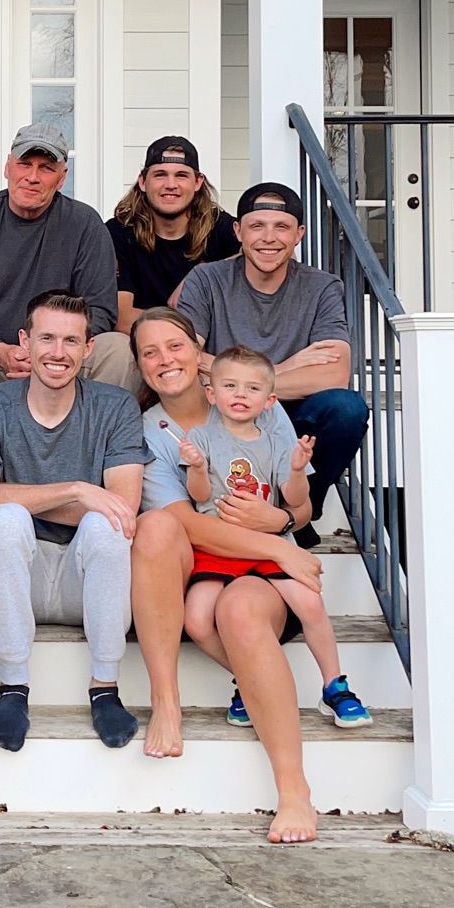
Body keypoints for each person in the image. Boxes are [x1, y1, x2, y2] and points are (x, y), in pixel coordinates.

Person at [129, 306, 328, 842]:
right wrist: (278, 545)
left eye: (174, 346)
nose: (164, 360)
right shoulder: (151, 430)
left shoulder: (260, 403)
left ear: (199, 351)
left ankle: (293, 791)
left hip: (261, 571)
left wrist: (283, 526)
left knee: (240, 609)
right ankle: (170, 699)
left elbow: (301, 509)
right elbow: (180, 523)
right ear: (140, 367)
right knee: (155, 530)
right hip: (204, 567)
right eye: (149, 353)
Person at [0, 291, 144, 751]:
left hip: (85, 579)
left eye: (71, 340)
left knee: (105, 526)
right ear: (24, 342)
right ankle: (13, 688)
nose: (58, 353)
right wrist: (77, 490)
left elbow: (122, 509)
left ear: (89, 349)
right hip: (15, 577)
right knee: (4, 519)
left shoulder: (115, 406)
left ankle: (105, 686)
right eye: (46, 338)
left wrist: (28, 497)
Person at [179, 344, 370, 729]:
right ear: (212, 394)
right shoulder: (200, 438)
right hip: (219, 547)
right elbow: (199, 497)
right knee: (197, 620)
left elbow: (296, 503)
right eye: (230, 386)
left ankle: (335, 687)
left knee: (310, 603)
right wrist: (197, 468)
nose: (240, 395)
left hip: (269, 546)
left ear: (270, 401)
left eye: (252, 389)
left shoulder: (278, 441)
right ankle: (250, 678)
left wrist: (298, 470)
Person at [173, 180, 369, 546]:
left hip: (294, 418)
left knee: (346, 409)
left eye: (281, 227)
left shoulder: (322, 287)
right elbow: (186, 356)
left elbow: (336, 373)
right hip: (224, 419)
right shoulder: (207, 279)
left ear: (299, 234)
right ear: (238, 231)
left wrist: (236, 379)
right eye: (256, 226)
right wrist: (284, 369)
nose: (268, 237)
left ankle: (299, 512)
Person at [0, 126, 137, 400]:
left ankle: (101, 441)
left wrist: (53, 351)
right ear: (7, 166)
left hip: (63, 361)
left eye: (46, 168)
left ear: (62, 177)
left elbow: (100, 310)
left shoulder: (85, 224)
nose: (32, 177)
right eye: (24, 164)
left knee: (118, 349)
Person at [108, 136, 239, 329]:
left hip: (207, 339)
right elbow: (123, 318)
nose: (171, 184)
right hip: (143, 340)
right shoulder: (119, 232)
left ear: (198, 182)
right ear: (143, 182)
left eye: (181, 175)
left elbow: (276, 256)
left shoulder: (220, 227)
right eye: (160, 175)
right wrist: (180, 330)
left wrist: (201, 274)